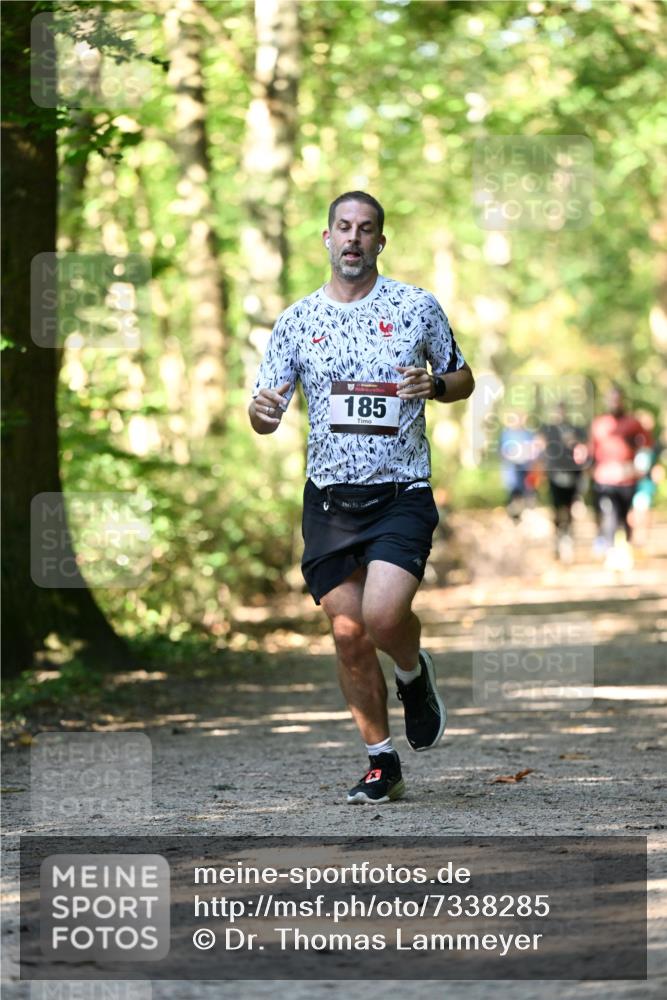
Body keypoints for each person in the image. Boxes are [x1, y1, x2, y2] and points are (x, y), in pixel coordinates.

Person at [249, 191, 475, 804]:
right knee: (348, 633)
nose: (354, 238)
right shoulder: (296, 320)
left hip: (401, 492)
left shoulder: (416, 307)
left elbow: (463, 377)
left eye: (366, 228)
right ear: (327, 238)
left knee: (382, 617)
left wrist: (435, 385)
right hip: (329, 502)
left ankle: (412, 674)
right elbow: (264, 409)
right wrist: (262, 413)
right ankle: (381, 761)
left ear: (381, 241)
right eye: (344, 227)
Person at [589, 386, 650, 567]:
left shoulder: (633, 423)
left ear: (623, 401)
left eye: (618, 399)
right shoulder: (599, 424)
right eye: (611, 399)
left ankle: (626, 549)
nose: (615, 403)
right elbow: (591, 450)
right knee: (609, 514)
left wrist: (640, 465)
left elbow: (646, 446)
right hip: (604, 479)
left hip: (627, 479)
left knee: (625, 517)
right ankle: (610, 552)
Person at [537, 402, 588, 562]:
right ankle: (559, 540)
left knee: (569, 508)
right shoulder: (547, 429)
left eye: (562, 411)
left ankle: (568, 539)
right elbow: (539, 448)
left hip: (573, 475)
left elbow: (583, 451)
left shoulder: (575, 429)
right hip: (554, 475)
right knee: (557, 509)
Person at [499, 411, 539, 523]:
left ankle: (522, 515)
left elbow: (533, 451)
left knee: (525, 492)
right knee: (514, 493)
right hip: (512, 470)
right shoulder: (506, 434)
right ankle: (514, 517)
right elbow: (502, 451)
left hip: (525, 468)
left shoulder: (528, 434)